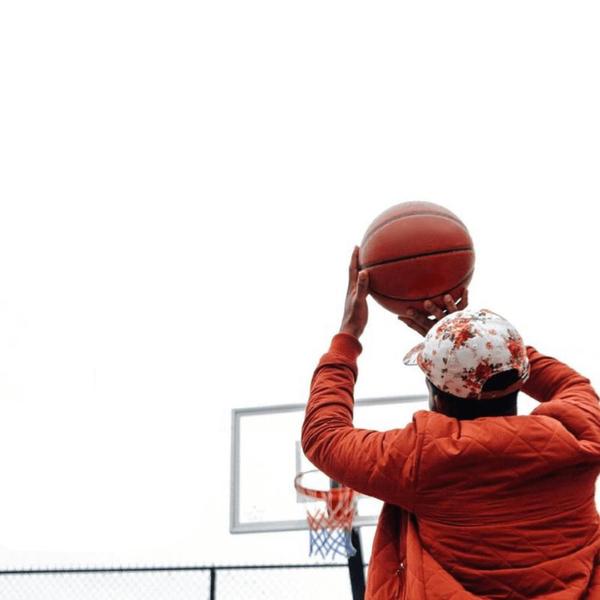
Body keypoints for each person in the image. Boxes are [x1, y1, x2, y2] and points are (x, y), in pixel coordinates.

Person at [301, 246, 600, 599]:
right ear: (520, 377)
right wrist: (480, 338)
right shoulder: (581, 434)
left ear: (436, 393)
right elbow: (570, 384)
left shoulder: (422, 459)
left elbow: (324, 435)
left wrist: (347, 336)